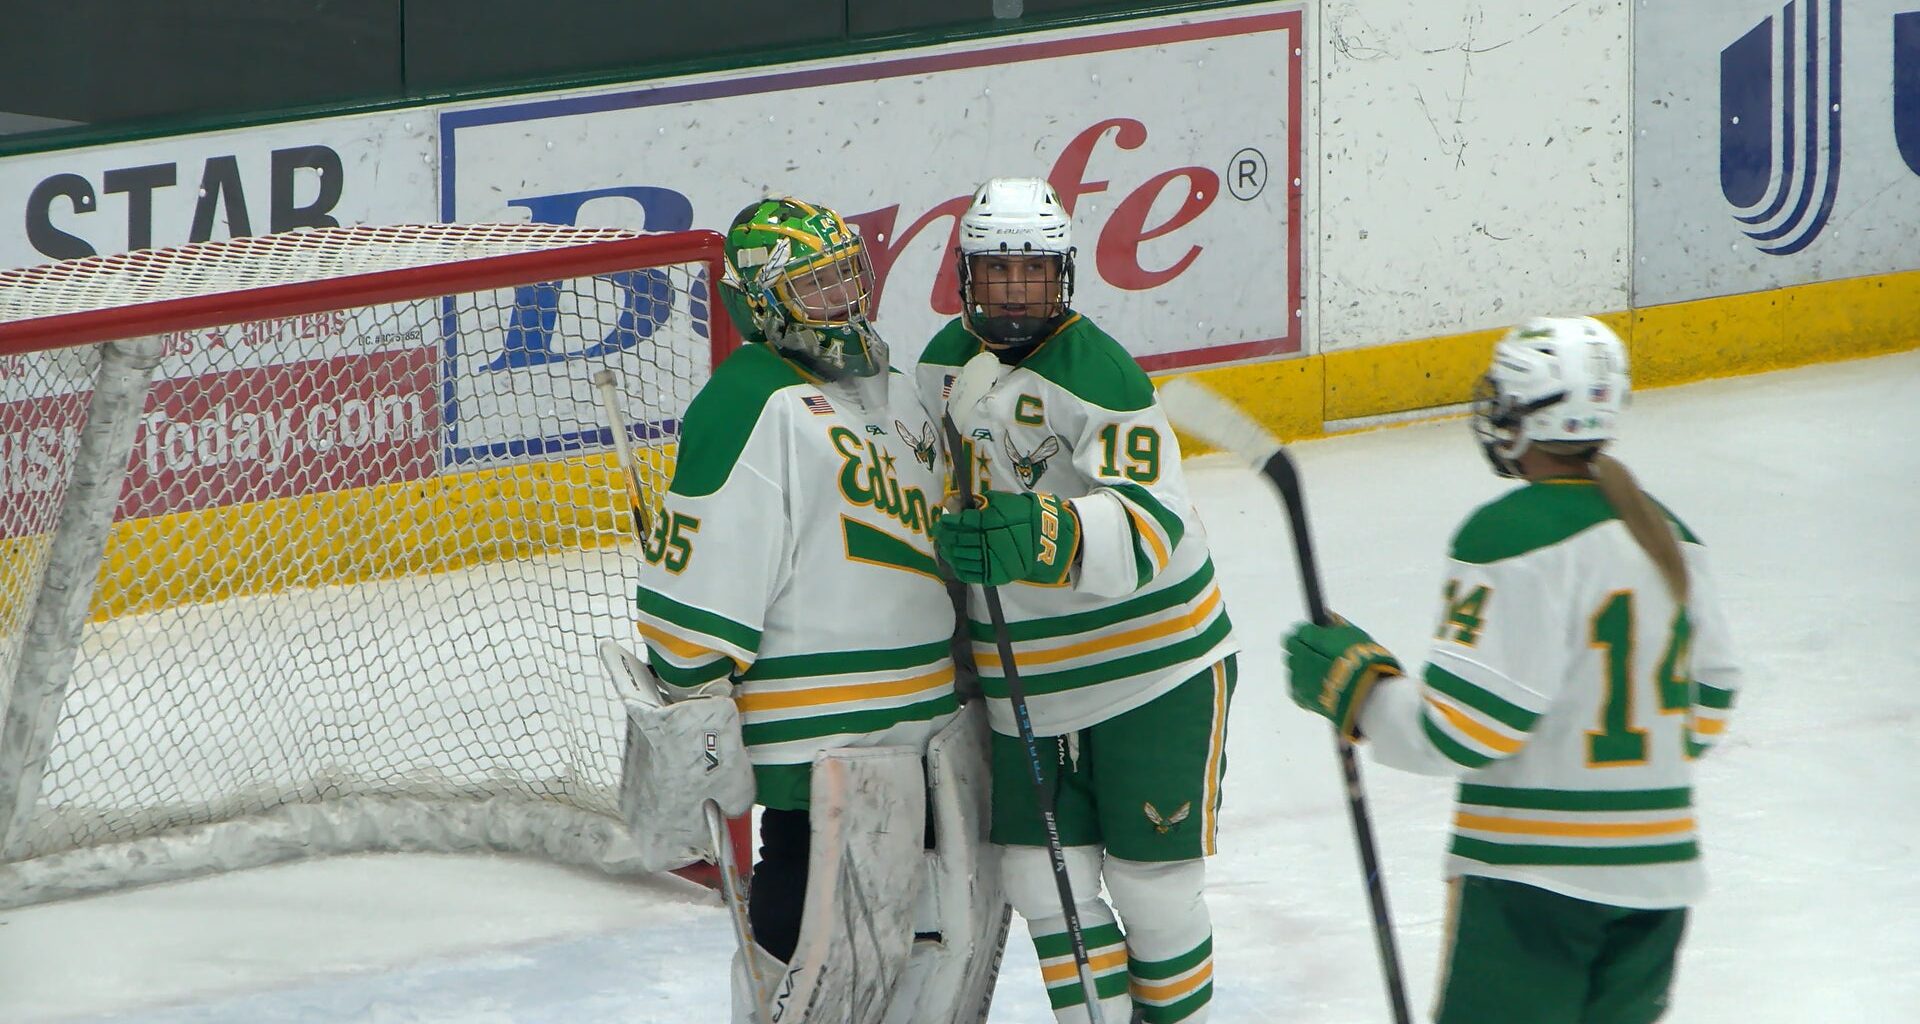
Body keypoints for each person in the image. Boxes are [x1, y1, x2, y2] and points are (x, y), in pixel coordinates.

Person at [1282, 316, 1743, 1024]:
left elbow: (1463, 732)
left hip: (1535, 885)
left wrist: (1354, 688)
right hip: (1660, 882)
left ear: (1527, 415)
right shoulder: (1671, 533)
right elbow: (1706, 710)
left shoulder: (1509, 535)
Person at [633, 196, 1002, 1023]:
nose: (841, 298)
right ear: (763, 304)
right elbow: (693, 609)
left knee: (932, 978)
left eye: (846, 275)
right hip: (821, 766)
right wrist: (692, 696)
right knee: (814, 985)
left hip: (931, 752)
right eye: (813, 284)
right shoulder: (750, 399)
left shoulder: (898, 391)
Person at [922, 177, 1238, 1024]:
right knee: (1037, 879)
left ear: (1062, 276)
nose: (1017, 291)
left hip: (1154, 667)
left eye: (1034, 272)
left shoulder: (1100, 377)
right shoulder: (942, 365)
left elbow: (1154, 523)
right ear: (966, 277)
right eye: (998, 272)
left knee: (1154, 887)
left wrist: (1037, 534)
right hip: (1031, 675)